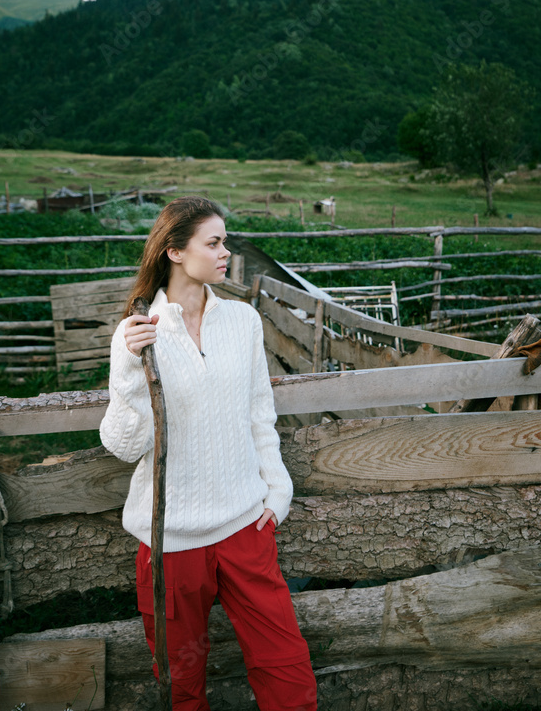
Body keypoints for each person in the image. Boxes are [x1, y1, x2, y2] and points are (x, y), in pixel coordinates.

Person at [100, 195, 317, 711]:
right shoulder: (137, 334)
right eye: (213, 243)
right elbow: (123, 445)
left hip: (246, 529)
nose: (226, 253)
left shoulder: (241, 321)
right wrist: (130, 369)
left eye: (225, 242)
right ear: (175, 251)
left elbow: (258, 414)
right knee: (182, 687)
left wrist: (277, 491)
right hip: (171, 544)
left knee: (287, 671)